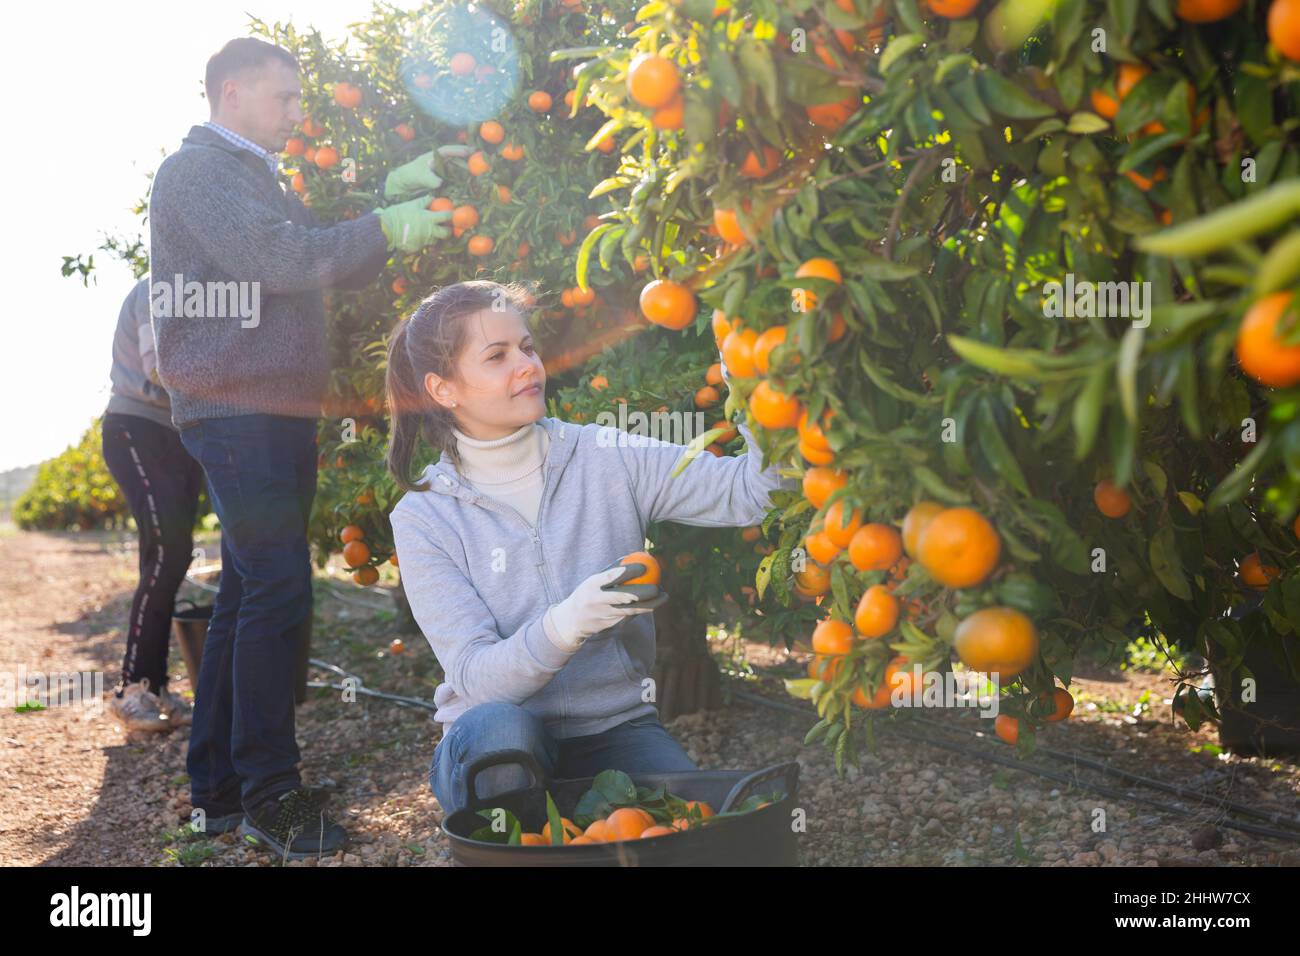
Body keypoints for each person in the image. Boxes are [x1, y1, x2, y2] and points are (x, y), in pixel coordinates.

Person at [148, 36, 458, 856]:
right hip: (237, 406)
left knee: (252, 591)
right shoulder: (197, 172)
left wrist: (384, 209)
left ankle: (218, 791)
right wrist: (382, 224)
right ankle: (270, 795)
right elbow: (282, 257)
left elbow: (304, 260)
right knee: (280, 585)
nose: (296, 114)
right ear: (231, 94)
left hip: (271, 407)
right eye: (283, 99)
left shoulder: (251, 176)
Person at [386, 281, 799, 818]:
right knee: (503, 732)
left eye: (528, 347)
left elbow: (755, 495)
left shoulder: (606, 456)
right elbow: (478, 678)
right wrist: (567, 624)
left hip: (615, 728)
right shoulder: (425, 517)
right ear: (444, 390)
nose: (528, 365)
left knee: (692, 832)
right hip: (496, 739)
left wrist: (750, 379)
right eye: (497, 356)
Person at [102, 276, 205, 735]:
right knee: (167, 552)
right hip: (137, 429)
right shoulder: (159, 286)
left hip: (176, 436)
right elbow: (158, 368)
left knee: (170, 555)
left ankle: (154, 687)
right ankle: (132, 689)